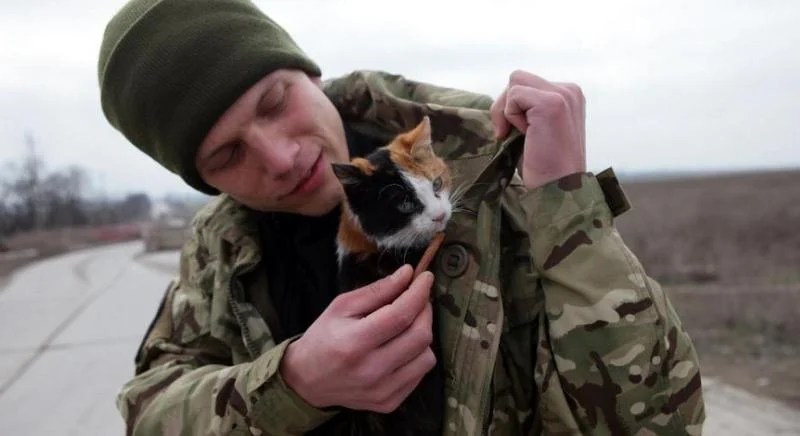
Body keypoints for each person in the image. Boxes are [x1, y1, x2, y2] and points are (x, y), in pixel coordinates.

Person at [98, 0, 705, 434]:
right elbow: (147, 407)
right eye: (228, 155)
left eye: (275, 102)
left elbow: (658, 422)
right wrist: (292, 386)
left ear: (308, 73)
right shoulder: (222, 246)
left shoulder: (494, 167)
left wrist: (565, 204)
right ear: (205, 181)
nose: (282, 158)